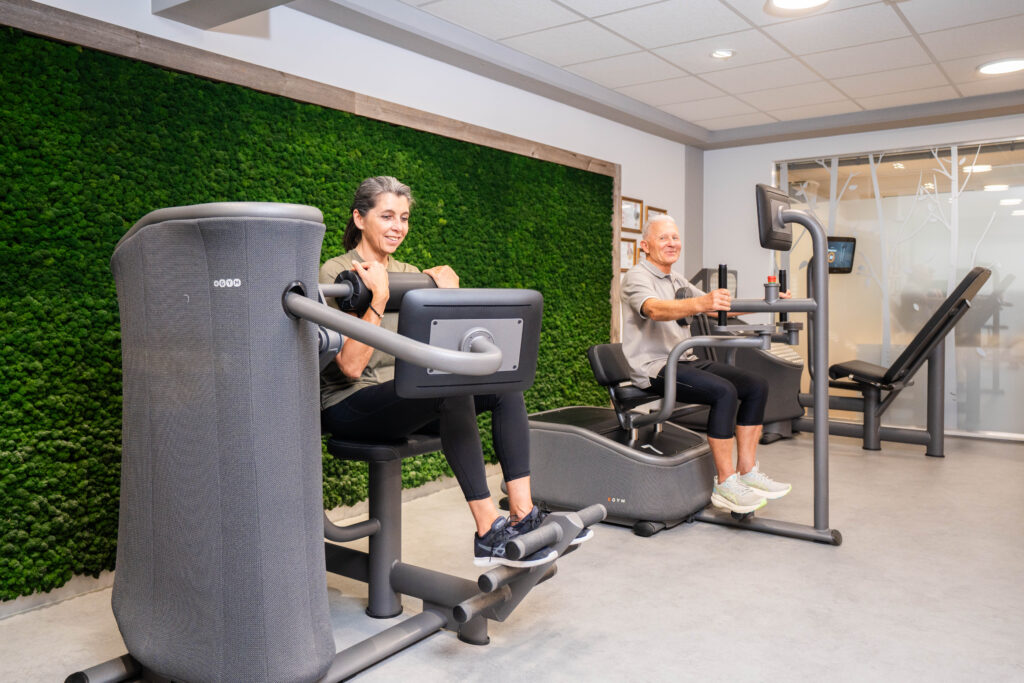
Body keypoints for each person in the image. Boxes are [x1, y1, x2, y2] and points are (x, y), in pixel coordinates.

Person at [320, 176, 589, 568]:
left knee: (503, 384)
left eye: (404, 218)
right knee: (447, 388)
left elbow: (441, 350)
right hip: (350, 404)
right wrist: (377, 297)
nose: (398, 227)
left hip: (401, 396)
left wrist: (448, 298)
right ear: (360, 219)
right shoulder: (336, 272)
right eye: (387, 216)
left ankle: (523, 514)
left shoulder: (409, 272)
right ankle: (488, 533)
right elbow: (349, 366)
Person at [620, 213, 791, 515]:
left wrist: (770, 301)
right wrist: (701, 303)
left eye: (675, 237)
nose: (671, 243)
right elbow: (654, 309)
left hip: (685, 359)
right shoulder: (637, 277)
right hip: (656, 368)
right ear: (645, 246)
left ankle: (747, 471)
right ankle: (725, 483)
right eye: (663, 238)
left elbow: (718, 307)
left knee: (756, 386)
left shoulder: (676, 279)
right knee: (724, 392)